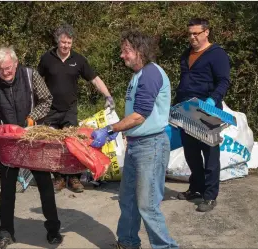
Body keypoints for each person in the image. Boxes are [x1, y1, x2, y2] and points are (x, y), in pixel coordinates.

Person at [91, 30, 178, 249]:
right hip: (137, 145)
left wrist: (111, 129)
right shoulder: (138, 75)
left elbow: (140, 115)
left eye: (126, 50)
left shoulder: (150, 74)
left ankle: (166, 247)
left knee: (147, 204)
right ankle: (128, 242)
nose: (122, 55)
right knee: (127, 199)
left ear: (140, 50)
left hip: (151, 146)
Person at [0, 47, 63, 249]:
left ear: (16, 63)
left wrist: (33, 117)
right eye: (1, 69)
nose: (6, 73)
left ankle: (53, 230)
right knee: (7, 190)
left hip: (32, 138)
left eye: (9, 68)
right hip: (8, 144)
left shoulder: (30, 75)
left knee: (45, 186)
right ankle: (6, 233)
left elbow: (47, 100)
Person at [37, 24, 115, 193]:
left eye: (69, 43)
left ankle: (74, 178)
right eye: (63, 42)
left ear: (72, 43)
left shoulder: (79, 60)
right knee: (53, 144)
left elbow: (94, 79)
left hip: (69, 110)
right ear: (57, 41)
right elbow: (37, 80)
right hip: (50, 110)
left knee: (74, 144)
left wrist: (108, 96)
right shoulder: (47, 59)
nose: (66, 46)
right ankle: (58, 178)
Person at [175, 18, 231, 212]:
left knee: (210, 154)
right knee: (191, 153)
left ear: (206, 32)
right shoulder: (186, 54)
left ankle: (209, 196)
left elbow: (224, 81)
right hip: (186, 110)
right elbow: (184, 83)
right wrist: (175, 107)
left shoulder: (217, 55)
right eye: (189, 33)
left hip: (207, 110)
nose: (192, 37)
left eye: (196, 33)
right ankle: (196, 188)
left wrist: (212, 100)